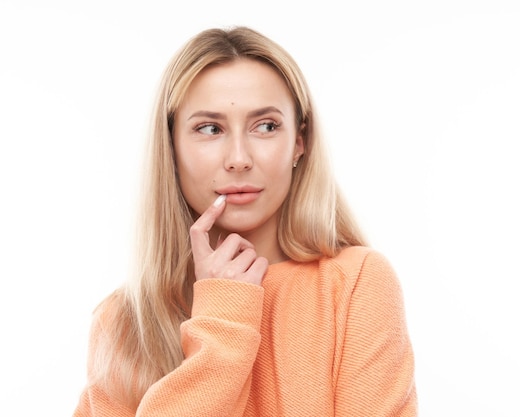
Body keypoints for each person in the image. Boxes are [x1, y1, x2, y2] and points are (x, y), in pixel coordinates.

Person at [73, 26, 417, 416]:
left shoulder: (356, 283)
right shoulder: (124, 321)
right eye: (209, 128)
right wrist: (223, 315)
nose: (239, 158)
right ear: (171, 147)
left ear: (299, 142)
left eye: (266, 126)